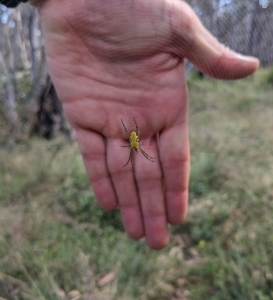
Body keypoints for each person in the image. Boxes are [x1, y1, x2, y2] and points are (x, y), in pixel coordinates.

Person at [1, 0, 259, 250]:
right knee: (135, 157)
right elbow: (131, 138)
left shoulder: (132, 136)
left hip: (131, 131)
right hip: (131, 131)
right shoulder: (132, 137)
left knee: (135, 157)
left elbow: (131, 136)